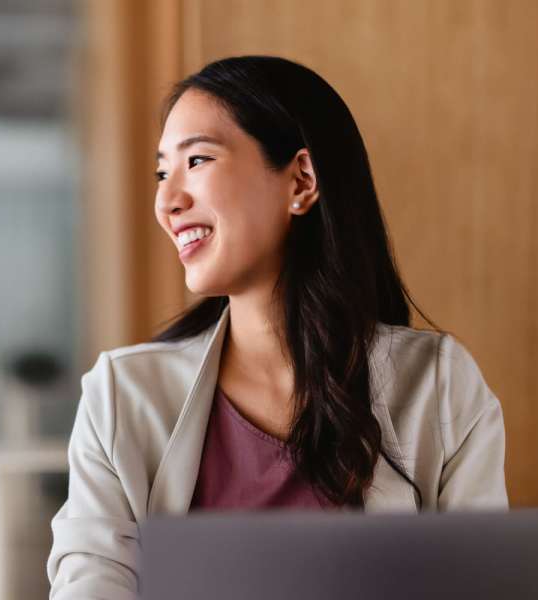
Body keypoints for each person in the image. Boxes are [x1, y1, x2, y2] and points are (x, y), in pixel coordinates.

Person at [47, 55, 508, 599]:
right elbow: (91, 583)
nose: (167, 201)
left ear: (301, 180)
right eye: (161, 172)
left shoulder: (439, 385)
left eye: (196, 160)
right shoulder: (122, 398)